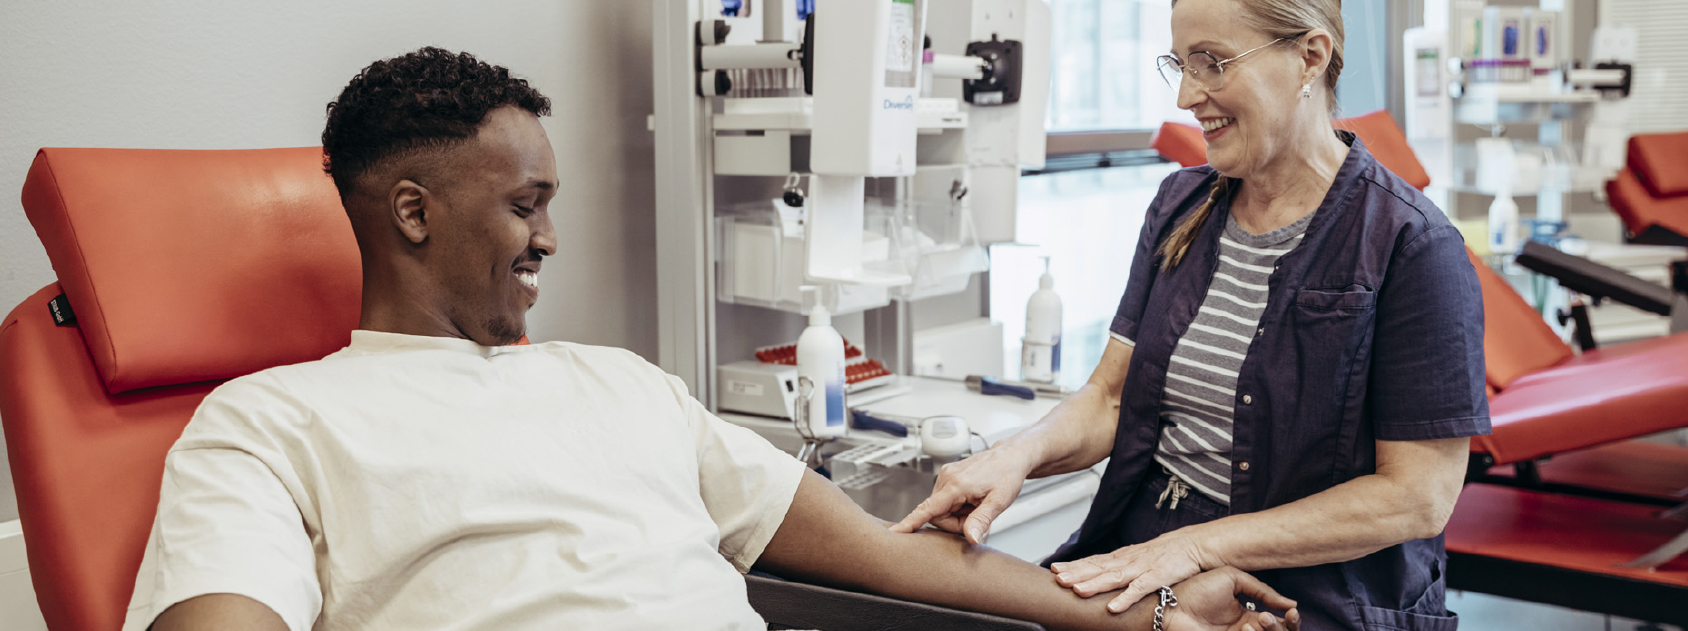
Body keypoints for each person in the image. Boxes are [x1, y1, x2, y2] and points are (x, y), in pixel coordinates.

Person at [121, 47, 1301, 631]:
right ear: (414, 212)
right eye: (523, 206)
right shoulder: (270, 422)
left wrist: (1145, 613)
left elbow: (891, 555)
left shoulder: (618, 384)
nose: (548, 242)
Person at [892, 1, 1489, 630]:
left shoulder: (1413, 245)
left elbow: (1415, 498)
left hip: (1309, 594)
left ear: (1309, 56)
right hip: (1147, 556)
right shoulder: (1181, 205)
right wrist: (1015, 456)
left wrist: (1201, 546)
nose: (1186, 95)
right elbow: (1111, 398)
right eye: (1180, 64)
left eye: (1212, 63)